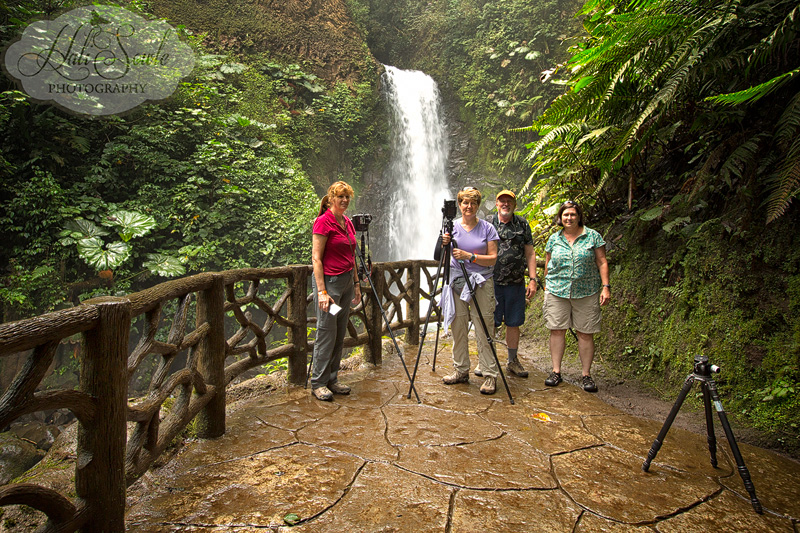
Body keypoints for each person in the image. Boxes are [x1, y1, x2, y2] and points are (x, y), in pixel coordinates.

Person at [542, 201, 610, 392]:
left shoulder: (593, 236)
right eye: (565, 215)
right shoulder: (554, 239)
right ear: (560, 218)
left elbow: (602, 261)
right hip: (557, 291)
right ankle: (556, 371)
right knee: (556, 330)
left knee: (585, 333)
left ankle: (586, 375)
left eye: (573, 214)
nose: (569, 218)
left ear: (579, 216)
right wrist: (547, 284)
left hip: (586, 291)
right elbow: (548, 262)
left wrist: (606, 287)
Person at [440, 187, 500, 395]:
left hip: (482, 281)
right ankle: (461, 369)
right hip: (457, 280)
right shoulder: (452, 227)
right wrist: (443, 243)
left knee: (484, 325)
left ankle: (489, 373)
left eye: (473, 203)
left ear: (478, 205)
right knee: (458, 325)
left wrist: (470, 256)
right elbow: (438, 256)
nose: (469, 206)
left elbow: (493, 258)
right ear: (459, 205)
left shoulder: (487, 229)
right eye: (465, 202)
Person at [310, 181, 362, 401]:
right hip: (330, 285)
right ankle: (318, 382)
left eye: (347, 197)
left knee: (340, 331)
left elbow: (352, 256)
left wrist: (357, 284)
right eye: (340, 196)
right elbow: (316, 258)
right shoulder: (323, 222)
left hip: (346, 285)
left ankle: (332, 378)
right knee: (327, 331)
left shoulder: (347, 222)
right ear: (331, 198)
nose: (344, 200)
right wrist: (322, 292)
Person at [480, 189, 537, 379]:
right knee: (490, 322)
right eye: (502, 201)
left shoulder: (522, 224)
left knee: (514, 323)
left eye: (509, 201)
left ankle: (512, 361)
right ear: (496, 204)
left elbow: (529, 253)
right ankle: (486, 361)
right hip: (490, 282)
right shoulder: (487, 223)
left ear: (514, 205)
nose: (505, 204)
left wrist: (533, 279)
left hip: (516, 283)